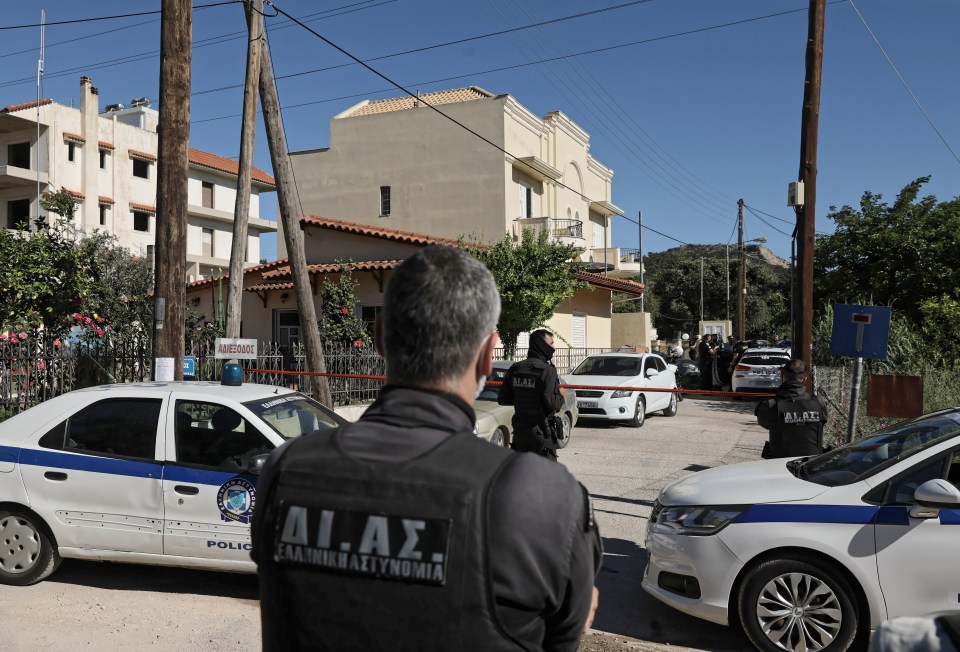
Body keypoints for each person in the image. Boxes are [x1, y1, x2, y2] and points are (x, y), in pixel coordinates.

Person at [251, 245, 602, 651]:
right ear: (488, 355)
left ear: (379, 337)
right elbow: (564, 636)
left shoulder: (286, 470)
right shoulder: (542, 497)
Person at [497, 329, 567, 460]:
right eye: (551, 343)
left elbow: (503, 399)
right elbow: (552, 404)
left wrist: (524, 396)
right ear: (542, 345)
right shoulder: (547, 370)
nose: (554, 347)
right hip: (541, 433)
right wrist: (561, 395)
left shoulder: (516, 368)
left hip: (520, 432)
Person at [755, 358, 826, 458]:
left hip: (779, 467)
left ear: (781, 377)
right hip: (811, 467)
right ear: (805, 380)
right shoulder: (819, 403)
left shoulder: (770, 405)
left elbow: (764, 423)